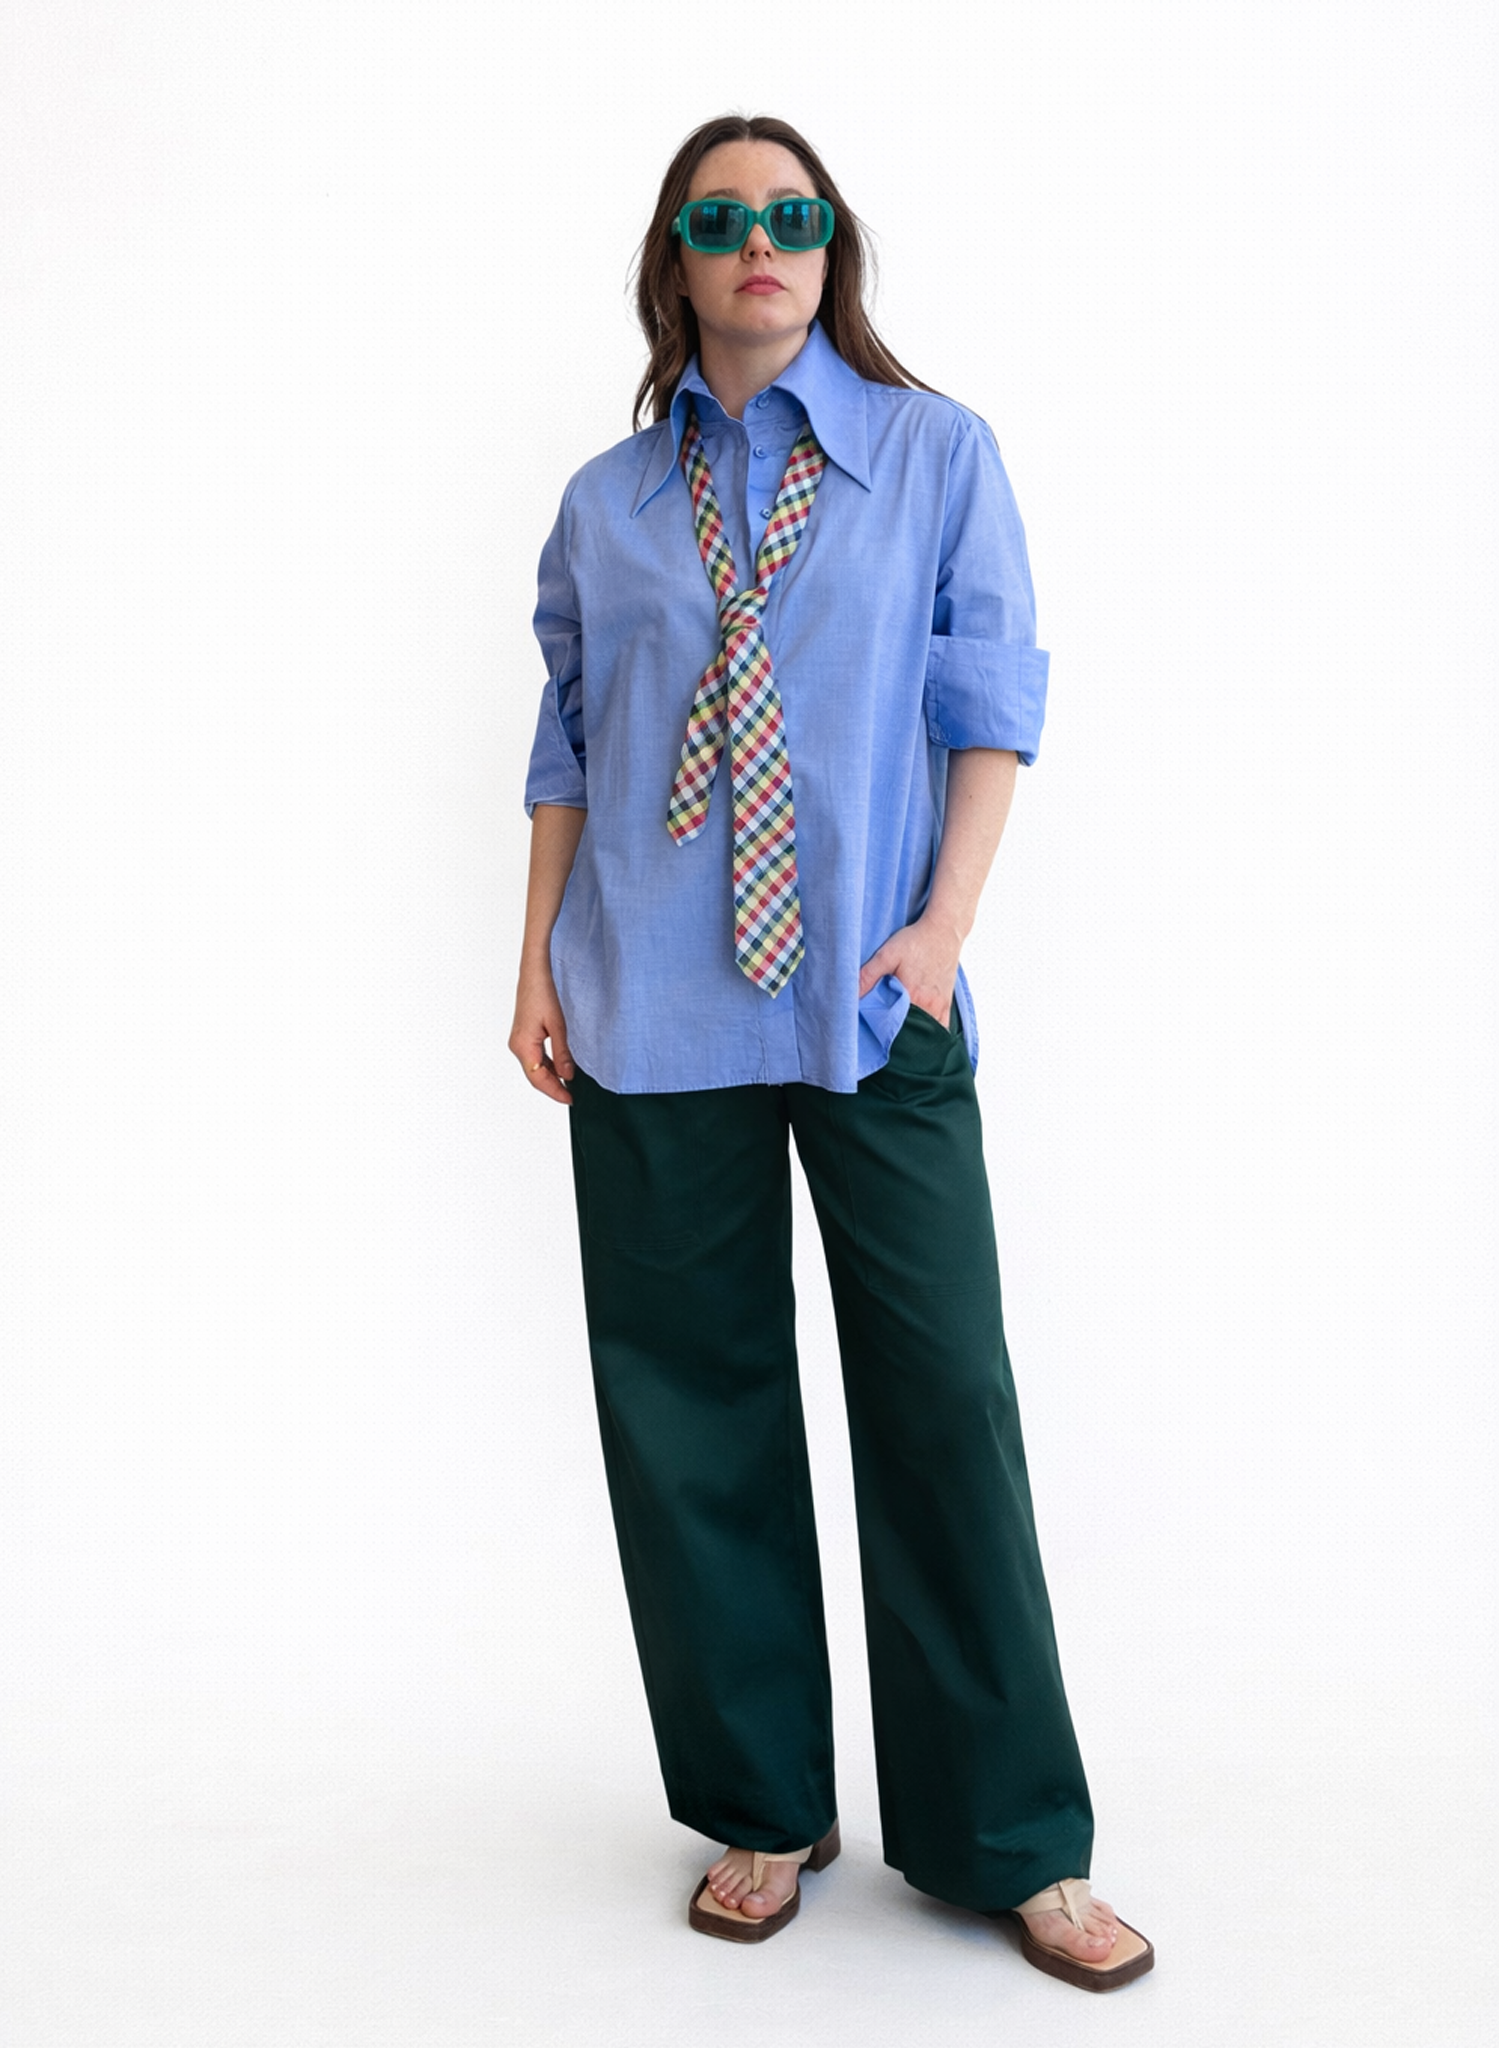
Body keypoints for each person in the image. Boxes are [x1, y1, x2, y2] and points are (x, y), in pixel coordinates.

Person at [510, 112, 1154, 1992]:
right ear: (676, 258)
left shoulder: (934, 454)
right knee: (687, 1411)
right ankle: (762, 1806)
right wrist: (535, 957)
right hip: (647, 997)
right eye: (720, 218)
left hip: (874, 998)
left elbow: (988, 698)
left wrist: (943, 934)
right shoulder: (604, 503)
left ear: (830, 246)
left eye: (790, 214)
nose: (759, 242)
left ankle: (1012, 1842)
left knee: (942, 1399)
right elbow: (569, 738)